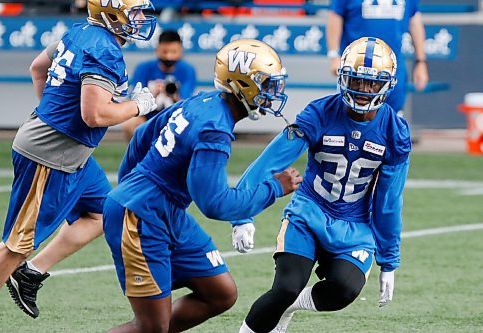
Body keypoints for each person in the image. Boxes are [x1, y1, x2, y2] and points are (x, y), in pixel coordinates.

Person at [102, 39, 302, 333]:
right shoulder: (215, 129)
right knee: (151, 327)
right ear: (241, 85)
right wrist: (273, 188)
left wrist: (129, 185)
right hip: (142, 214)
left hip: (163, 208)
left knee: (220, 293)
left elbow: (143, 134)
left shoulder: (203, 101)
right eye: (265, 84)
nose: (273, 93)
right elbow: (214, 203)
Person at [0, 0, 158, 318]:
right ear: (111, 13)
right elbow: (95, 115)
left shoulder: (80, 32)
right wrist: (138, 106)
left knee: (103, 214)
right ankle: (18, 267)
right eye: (134, 12)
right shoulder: (103, 48)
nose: (140, 19)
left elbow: (38, 67)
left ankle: (31, 273)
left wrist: (51, 117)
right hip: (50, 157)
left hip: (69, 153)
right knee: (16, 246)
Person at [237, 37, 412, 333]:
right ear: (343, 78)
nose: (362, 90)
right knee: (285, 288)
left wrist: (389, 259)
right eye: (356, 80)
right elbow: (272, 159)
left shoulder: (395, 131)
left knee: (344, 290)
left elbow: (389, 201)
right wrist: (242, 210)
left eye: (371, 83)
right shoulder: (320, 113)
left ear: (387, 84)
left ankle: (292, 307)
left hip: (355, 226)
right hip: (309, 212)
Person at [326, 0, 429, 114]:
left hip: (392, 68)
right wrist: (334, 54)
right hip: (357, 70)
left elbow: (414, 20)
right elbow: (335, 15)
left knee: (392, 118)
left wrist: (421, 62)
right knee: (352, 117)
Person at [121, 29, 197, 141]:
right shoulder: (144, 68)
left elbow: (185, 104)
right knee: (130, 122)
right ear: (157, 50)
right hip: (147, 117)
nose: (169, 57)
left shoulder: (187, 70)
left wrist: (173, 94)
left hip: (174, 118)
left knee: (193, 125)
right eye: (165, 52)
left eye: (174, 52)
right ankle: (136, 155)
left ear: (181, 51)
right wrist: (152, 93)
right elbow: (134, 99)